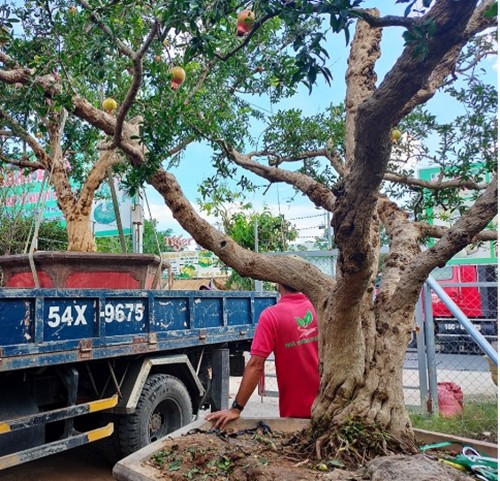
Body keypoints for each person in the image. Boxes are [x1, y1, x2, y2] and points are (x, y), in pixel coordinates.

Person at [205, 284, 319, 429]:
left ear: (277, 282)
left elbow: (256, 365)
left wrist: (236, 408)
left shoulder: (272, 316)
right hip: (333, 408)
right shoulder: (320, 308)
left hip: (296, 416)